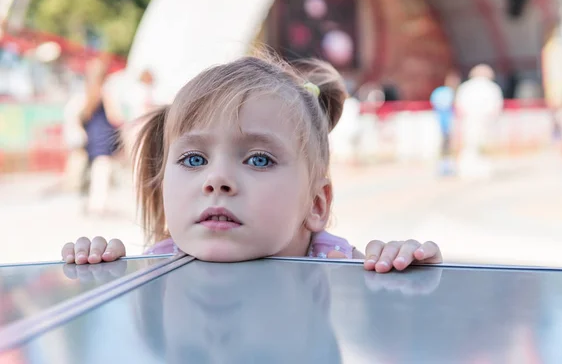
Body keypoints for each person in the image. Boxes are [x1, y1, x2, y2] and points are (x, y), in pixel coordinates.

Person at [61, 54, 442, 273]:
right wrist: (100, 273)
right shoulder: (152, 270)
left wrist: (408, 276)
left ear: (316, 204)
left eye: (258, 159)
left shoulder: (341, 269)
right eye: (194, 158)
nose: (218, 179)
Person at [80, 57, 124, 215]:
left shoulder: (88, 92)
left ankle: (95, 203)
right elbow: (115, 117)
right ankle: (98, 204)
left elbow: (83, 115)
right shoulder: (105, 92)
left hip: (93, 137)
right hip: (104, 138)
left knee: (97, 169)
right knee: (102, 170)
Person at [454, 64, 504, 179]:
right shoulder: (491, 88)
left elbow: (459, 105)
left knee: (470, 145)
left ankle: (466, 170)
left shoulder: (466, 87)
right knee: (483, 146)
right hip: (485, 121)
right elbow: (496, 106)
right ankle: (482, 170)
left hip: (470, 120)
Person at [430, 71, 460, 175]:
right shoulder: (446, 93)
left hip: (447, 123)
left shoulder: (443, 93)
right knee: (444, 146)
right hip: (443, 124)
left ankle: (447, 166)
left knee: (448, 146)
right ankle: (443, 167)